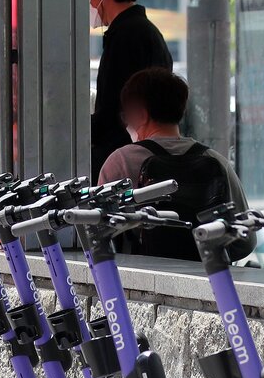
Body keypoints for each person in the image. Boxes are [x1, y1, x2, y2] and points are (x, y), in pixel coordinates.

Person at [98, 68, 246, 260]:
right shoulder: (216, 160)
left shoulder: (121, 161)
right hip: (206, 278)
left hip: (138, 278)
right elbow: (244, 240)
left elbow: (97, 233)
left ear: (141, 115)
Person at [89, 0, 172, 179]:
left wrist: (77, 130)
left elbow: (112, 110)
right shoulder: (146, 31)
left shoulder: (126, 37)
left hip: (124, 162)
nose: (89, 6)